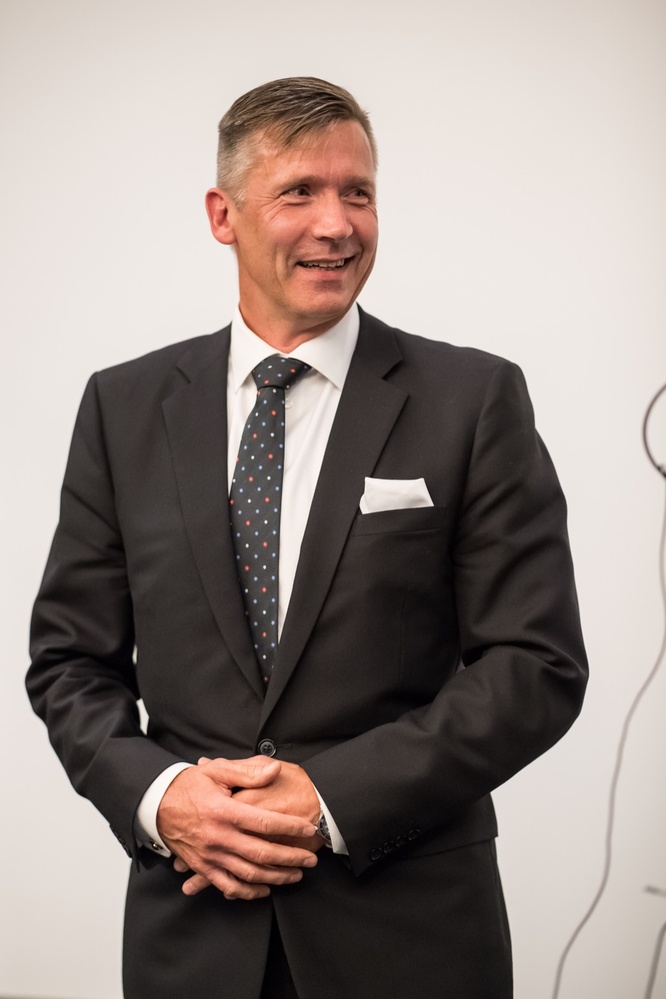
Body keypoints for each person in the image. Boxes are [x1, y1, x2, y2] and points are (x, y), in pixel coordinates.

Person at [27, 76, 588, 999]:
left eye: (357, 191)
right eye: (300, 191)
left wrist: (329, 799)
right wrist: (165, 799)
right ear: (224, 215)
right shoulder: (122, 408)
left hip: (412, 940)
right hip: (191, 936)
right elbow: (68, 663)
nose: (337, 224)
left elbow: (536, 663)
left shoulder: (473, 400)